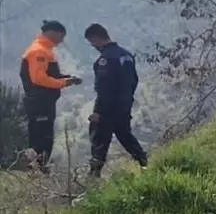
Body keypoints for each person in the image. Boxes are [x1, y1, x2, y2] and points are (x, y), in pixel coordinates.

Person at [83, 23, 148, 177]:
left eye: (92, 42)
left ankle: (93, 178)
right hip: (124, 106)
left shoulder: (105, 60)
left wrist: (98, 112)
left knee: (99, 142)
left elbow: (104, 89)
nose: (93, 46)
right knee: (126, 136)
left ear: (96, 38)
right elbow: (134, 81)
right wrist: (126, 101)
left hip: (108, 109)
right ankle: (145, 164)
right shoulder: (127, 55)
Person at [18, 20, 82, 172]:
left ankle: (40, 168)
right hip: (38, 103)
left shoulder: (45, 51)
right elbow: (39, 78)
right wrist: (64, 83)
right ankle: (37, 170)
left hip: (44, 102)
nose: (62, 40)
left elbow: (50, 75)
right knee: (41, 138)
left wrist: (68, 78)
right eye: (61, 36)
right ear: (52, 32)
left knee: (45, 136)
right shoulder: (38, 51)